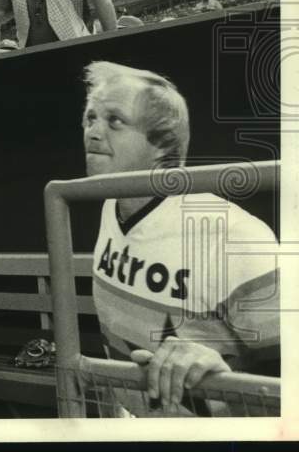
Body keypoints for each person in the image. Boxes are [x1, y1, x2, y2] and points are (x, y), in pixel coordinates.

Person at [81, 61, 279, 416]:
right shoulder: (113, 203)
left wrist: (222, 372)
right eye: (90, 117)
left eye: (115, 121)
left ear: (163, 144)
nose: (93, 132)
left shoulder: (233, 235)